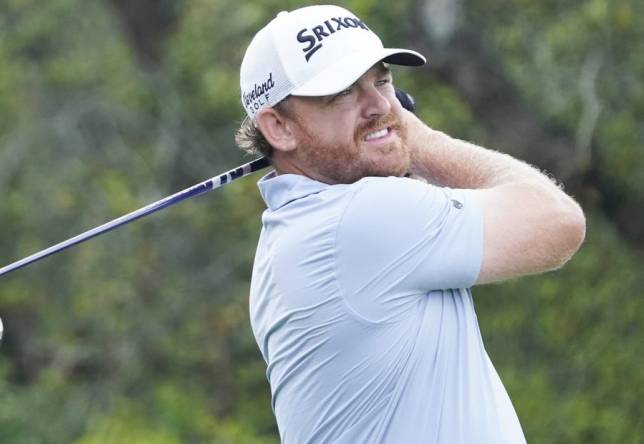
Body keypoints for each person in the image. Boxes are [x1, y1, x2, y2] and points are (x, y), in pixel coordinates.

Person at [235, 5, 586, 443]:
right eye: (343, 92)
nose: (381, 105)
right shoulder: (358, 219)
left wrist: (386, 138)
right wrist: (418, 137)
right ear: (279, 128)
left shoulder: (299, 227)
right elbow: (557, 222)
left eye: (381, 80)